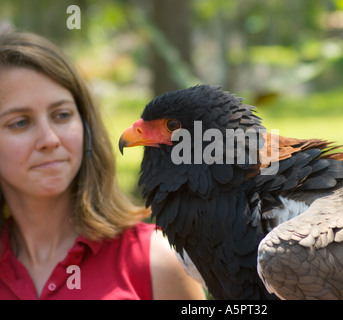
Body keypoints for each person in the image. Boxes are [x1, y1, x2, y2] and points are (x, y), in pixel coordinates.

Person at [0, 29, 206, 300]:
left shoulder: (159, 261)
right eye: (20, 122)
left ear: (86, 125)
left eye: (62, 115)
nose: (49, 139)